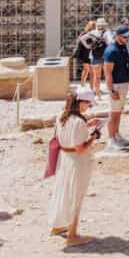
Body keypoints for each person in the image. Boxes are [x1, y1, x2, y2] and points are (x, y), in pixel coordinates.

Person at [48, 87, 101, 248]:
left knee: (63, 191)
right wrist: (94, 136)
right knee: (76, 196)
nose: (89, 107)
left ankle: (58, 225)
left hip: (64, 159)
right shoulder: (78, 122)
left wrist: (87, 123)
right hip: (77, 161)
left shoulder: (61, 116)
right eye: (88, 104)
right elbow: (80, 148)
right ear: (81, 102)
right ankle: (72, 235)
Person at [102, 24, 129, 150]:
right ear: (119, 36)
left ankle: (116, 135)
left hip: (123, 83)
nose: (128, 38)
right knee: (113, 113)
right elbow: (108, 72)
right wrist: (111, 90)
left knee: (119, 112)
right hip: (116, 85)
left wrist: (128, 80)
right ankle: (111, 139)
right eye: (126, 36)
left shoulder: (123, 46)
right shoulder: (111, 51)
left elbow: (125, 65)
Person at [73, 21, 97, 92]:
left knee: (86, 70)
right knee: (92, 72)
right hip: (87, 55)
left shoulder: (83, 33)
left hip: (84, 54)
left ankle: (83, 86)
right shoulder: (90, 34)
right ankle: (91, 89)